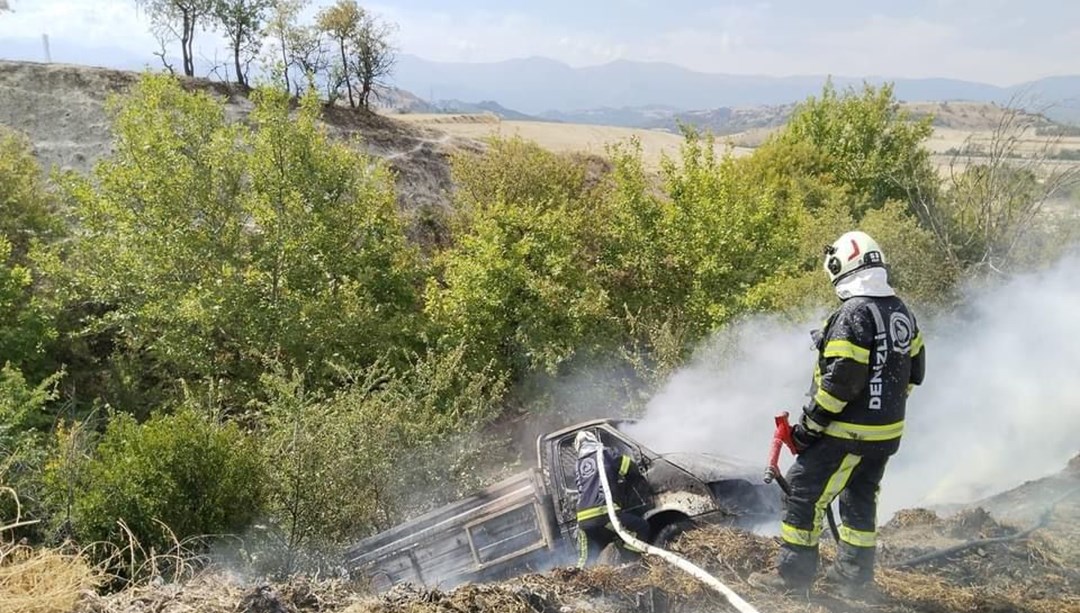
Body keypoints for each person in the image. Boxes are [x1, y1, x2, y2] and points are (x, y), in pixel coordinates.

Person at [750, 231, 926, 597]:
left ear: (840, 265)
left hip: (848, 433)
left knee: (802, 493)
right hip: (886, 435)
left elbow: (841, 382)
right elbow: (916, 371)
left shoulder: (853, 312)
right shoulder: (900, 310)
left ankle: (792, 579)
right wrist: (883, 410)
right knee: (859, 500)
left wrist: (809, 428)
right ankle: (853, 581)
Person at [573, 429, 652, 568]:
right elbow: (630, 467)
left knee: (584, 560)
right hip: (605, 513)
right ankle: (628, 562)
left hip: (583, 520)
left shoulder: (577, 465)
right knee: (640, 528)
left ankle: (572, 583)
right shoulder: (606, 454)